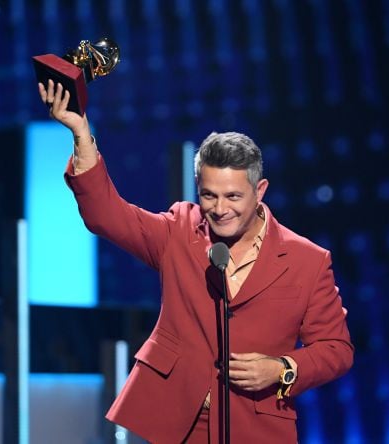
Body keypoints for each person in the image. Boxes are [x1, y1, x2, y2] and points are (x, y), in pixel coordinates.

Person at [39, 80, 354, 443]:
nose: (220, 210)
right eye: (209, 195)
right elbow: (106, 216)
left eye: (233, 196)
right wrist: (80, 132)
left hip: (256, 427)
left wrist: (283, 369)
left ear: (260, 190)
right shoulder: (180, 231)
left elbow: (336, 349)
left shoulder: (307, 261)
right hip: (176, 423)